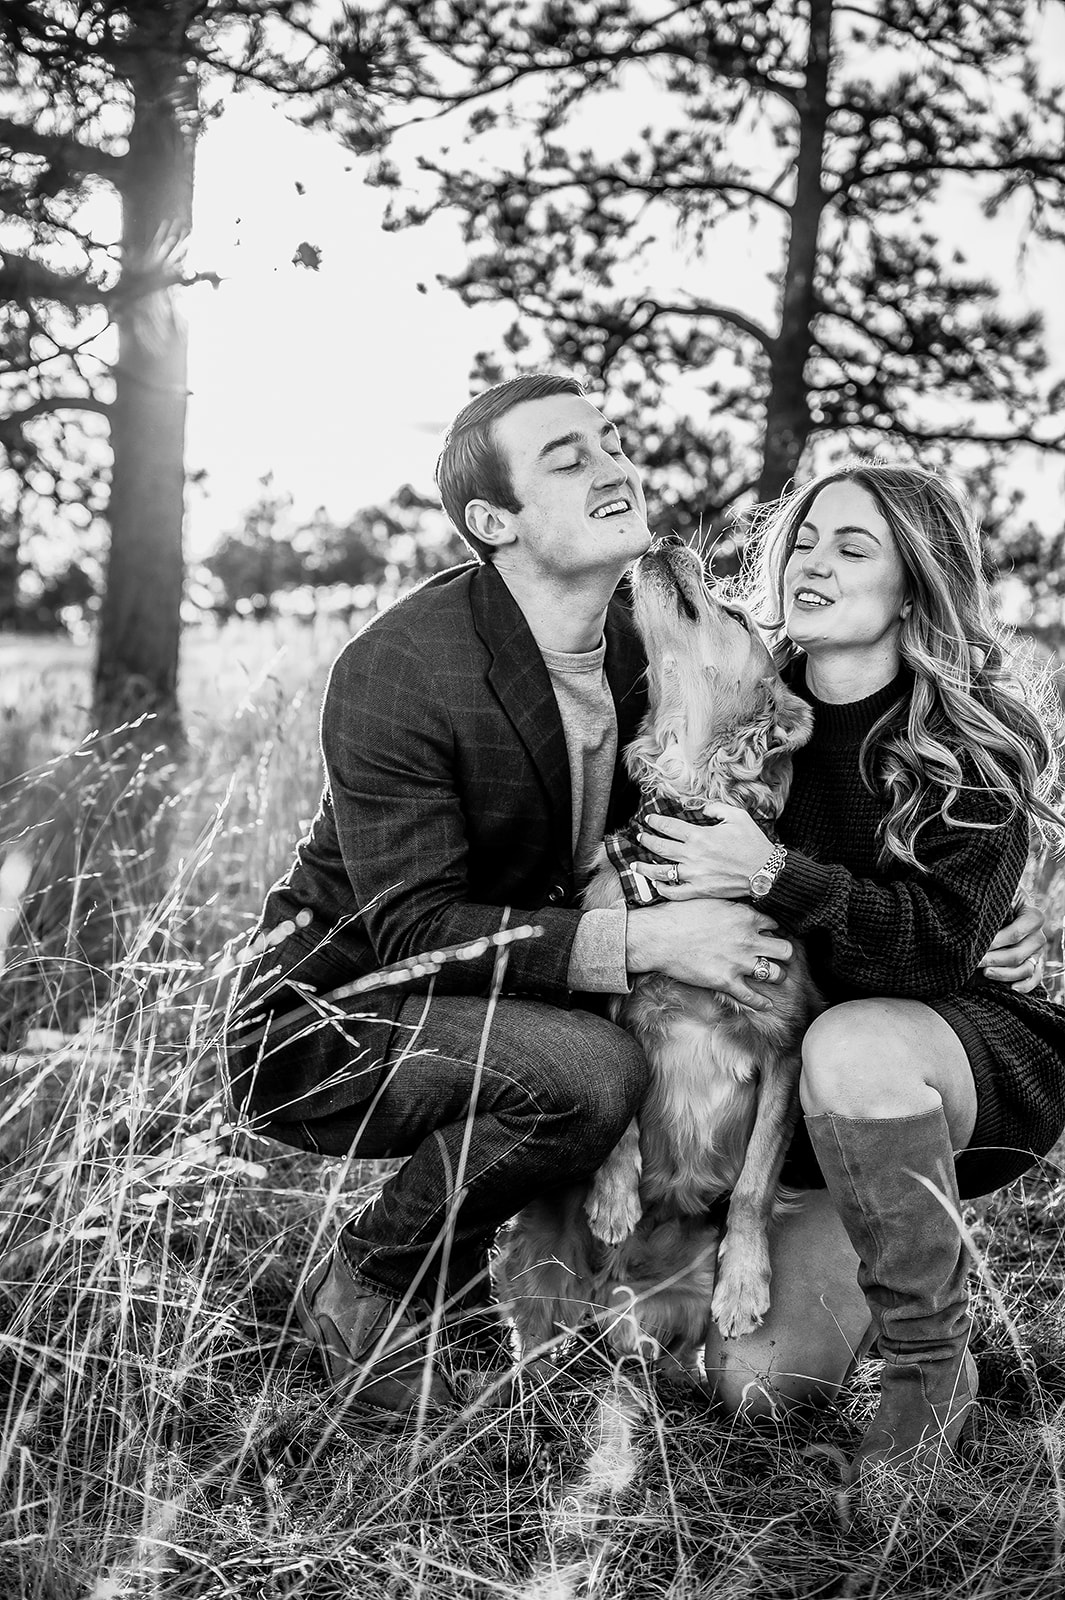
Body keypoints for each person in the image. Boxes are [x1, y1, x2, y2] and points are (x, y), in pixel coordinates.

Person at [222, 373, 798, 1420]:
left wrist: (986, 901)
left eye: (611, 442)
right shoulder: (403, 666)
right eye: (568, 460)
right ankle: (371, 1277)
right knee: (591, 1075)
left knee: (584, 1062)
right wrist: (653, 939)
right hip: (334, 1017)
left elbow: (771, 735)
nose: (614, 468)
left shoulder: (643, 643)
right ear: (495, 522)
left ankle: (453, 1286)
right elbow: (413, 928)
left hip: (502, 1001)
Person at [630, 461, 1065, 1482]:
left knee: (849, 1040)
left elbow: (933, 951)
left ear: (914, 587)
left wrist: (772, 874)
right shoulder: (740, 692)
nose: (813, 563)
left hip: (945, 1050)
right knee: (760, 1386)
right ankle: (874, 1236)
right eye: (807, 540)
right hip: (792, 1098)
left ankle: (930, 1367)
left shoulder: (971, 736)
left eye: (853, 547)